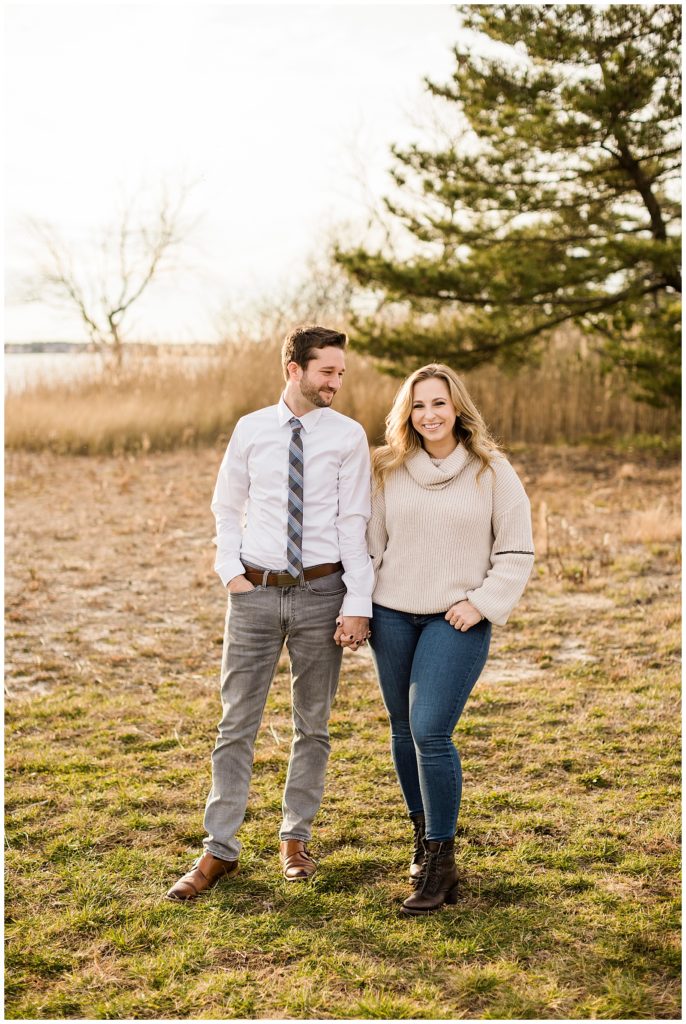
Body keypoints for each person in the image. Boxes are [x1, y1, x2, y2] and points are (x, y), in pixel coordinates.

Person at [167, 325, 373, 901]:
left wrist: (357, 602)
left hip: (322, 595)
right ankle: (219, 850)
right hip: (254, 594)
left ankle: (295, 839)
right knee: (236, 724)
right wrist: (229, 571)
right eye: (326, 371)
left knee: (314, 724)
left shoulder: (349, 436)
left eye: (340, 372)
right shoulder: (251, 429)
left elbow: (355, 523)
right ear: (294, 369)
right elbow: (226, 506)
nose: (335, 382)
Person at [367, 363, 534, 916]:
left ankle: (441, 859)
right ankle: (422, 839)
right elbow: (368, 546)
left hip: (456, 619)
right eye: (418, 406)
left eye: (438, 403)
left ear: (457, 408)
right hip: (391, 614)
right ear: (405, 414)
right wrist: (356, 607)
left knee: (430, 730)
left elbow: (515, 552)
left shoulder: (492, 472)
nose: (429, 415)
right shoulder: (387, 469)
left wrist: (481, 602)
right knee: (400, 728)